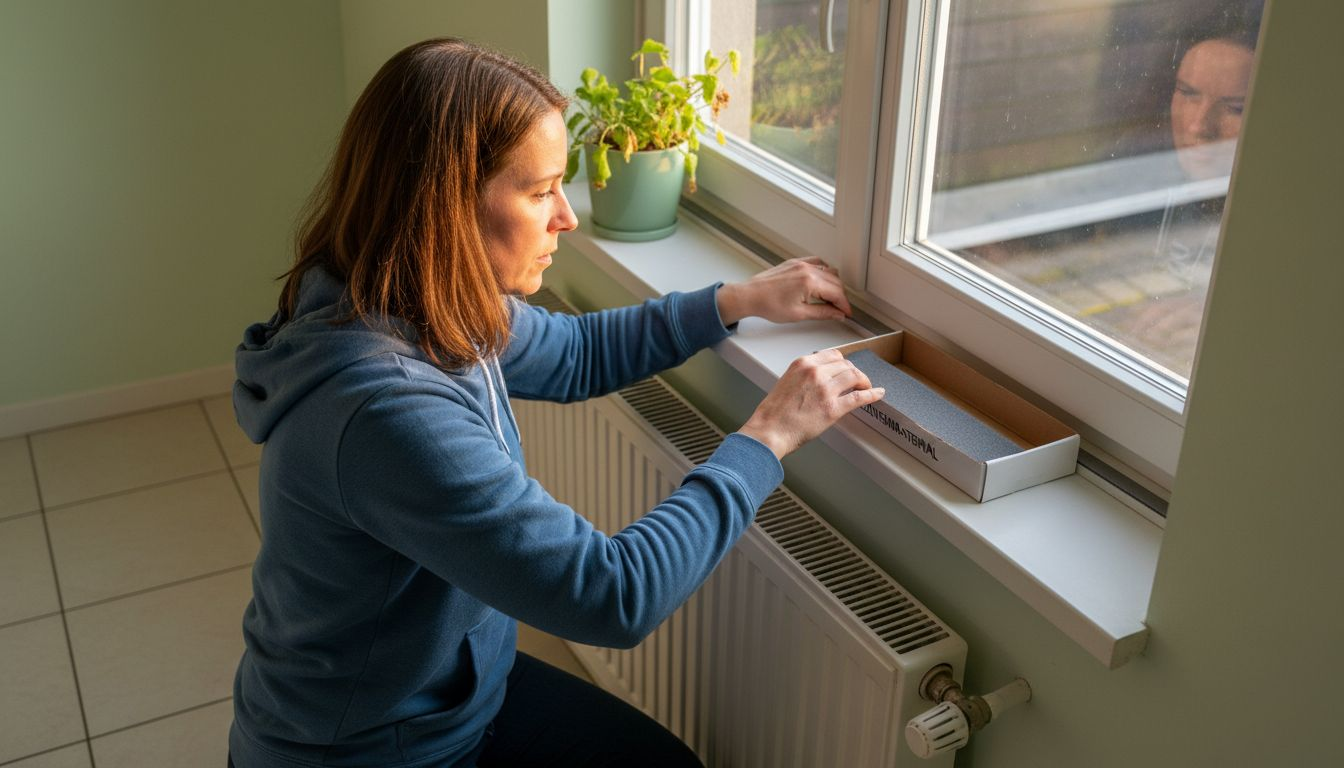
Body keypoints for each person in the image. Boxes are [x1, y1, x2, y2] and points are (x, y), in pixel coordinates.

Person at [226, 38, 884, 768]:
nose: (566, 218)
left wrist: (736, 301)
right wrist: (766, 439)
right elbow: (611, 595)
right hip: (371, 753)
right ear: (445, 206)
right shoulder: (384, 410)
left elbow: (574, 355)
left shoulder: (412, 290)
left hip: (456, 698)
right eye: (540, 191)